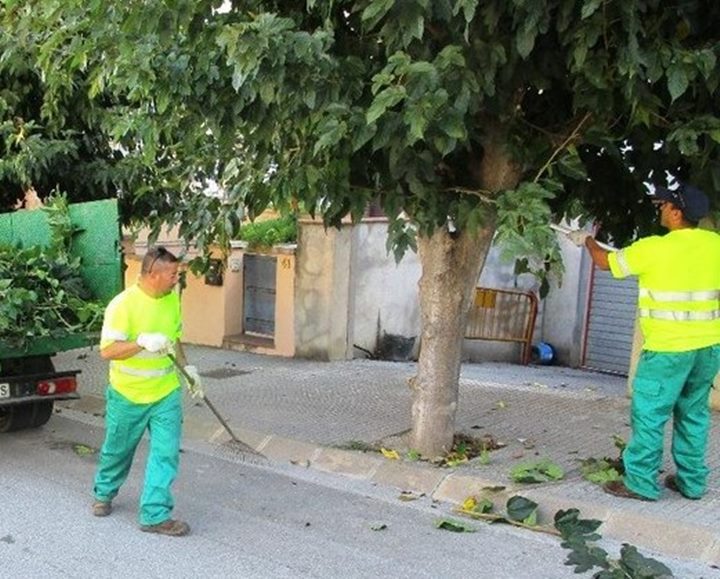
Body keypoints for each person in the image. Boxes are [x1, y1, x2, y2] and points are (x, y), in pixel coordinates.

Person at [568, 183, 720, 501]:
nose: (660, 209)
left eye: (665, 205)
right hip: (708, 349)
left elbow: (605, 262)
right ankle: (692, 483)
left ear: (677, 213)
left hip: (667, 350)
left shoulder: (654, 248)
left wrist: (586, 240)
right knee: (693, 415)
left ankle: (640, 484)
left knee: (649, 415)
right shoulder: (715, 246)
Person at [92, 246, 202, 536]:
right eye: (173, 274)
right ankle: (104, 492)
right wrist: (141, 342)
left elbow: (175, 339)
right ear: (153, 275)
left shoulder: (171, 301)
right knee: (118, 451)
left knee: (165, 454)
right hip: (128, 395)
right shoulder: (122, 305)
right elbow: (108, 351)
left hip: (165, 394)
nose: (177, 278)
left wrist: (188, 371)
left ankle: (154, 515)